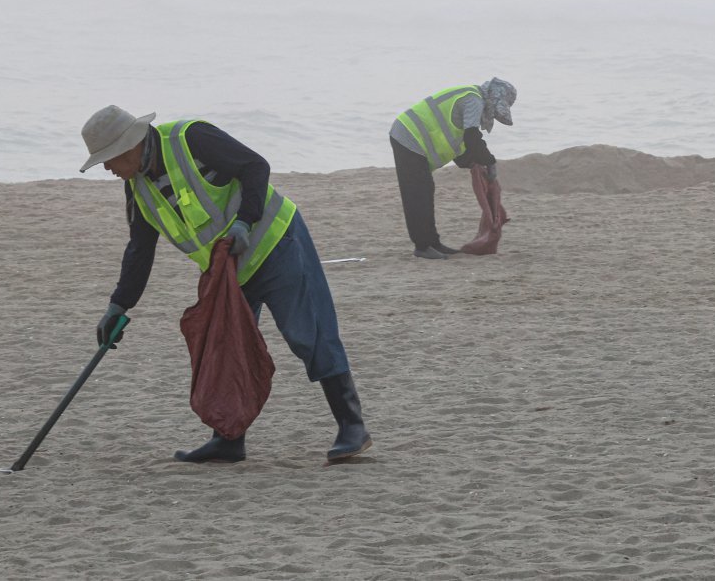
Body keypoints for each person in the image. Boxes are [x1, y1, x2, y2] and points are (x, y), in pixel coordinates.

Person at [79, 105, 372, 463]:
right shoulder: (138, 188)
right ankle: (229, 439)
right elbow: (140, 250)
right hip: (227, 271)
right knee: (225, 347)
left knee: (307, 332)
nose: (108, 169)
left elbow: (255, 167)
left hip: (275, 243)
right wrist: (118, 306)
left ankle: (352, 427)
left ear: (128, 147)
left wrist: (244, 223)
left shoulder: (190, 138)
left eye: (108, 160)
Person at [389, 78, 517, 259]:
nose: (494, 115)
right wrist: (489, 161)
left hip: (411, 139)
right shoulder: (473, 99)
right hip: (408, 136)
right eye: (496, 111)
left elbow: (462, 148)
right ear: (493, 98)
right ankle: (423, 246)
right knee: (418, 192)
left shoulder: (472, 99)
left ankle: (433, 243)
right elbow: (472, 137)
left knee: (425, 190)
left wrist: (475, 164)